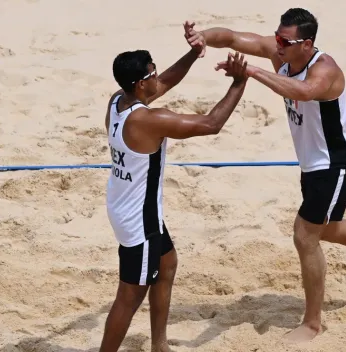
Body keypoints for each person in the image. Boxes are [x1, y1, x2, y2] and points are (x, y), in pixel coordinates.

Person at [184, 8, 346, 344]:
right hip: (312, 161)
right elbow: (233, 38)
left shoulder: (325, 70)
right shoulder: (280, 52)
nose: (277, 44)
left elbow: (303, 92)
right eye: (277, 37)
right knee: (327, 228)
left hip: (336, 162)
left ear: (306, 44)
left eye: (285, 40)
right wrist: (203, 37)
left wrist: (249, 71)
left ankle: (312, 324)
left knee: (305, 234)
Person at [100, 23, 249, 352]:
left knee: (166, 265)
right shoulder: (148, 121)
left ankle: (160, 345)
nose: (157, 76)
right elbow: (211, 124)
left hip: (127, 206)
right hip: (139, 220)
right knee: (129, 297)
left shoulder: (117, 102)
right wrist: (240, 82)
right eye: (152, 72)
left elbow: (165, 81)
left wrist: (194, 54)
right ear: (140, 83)